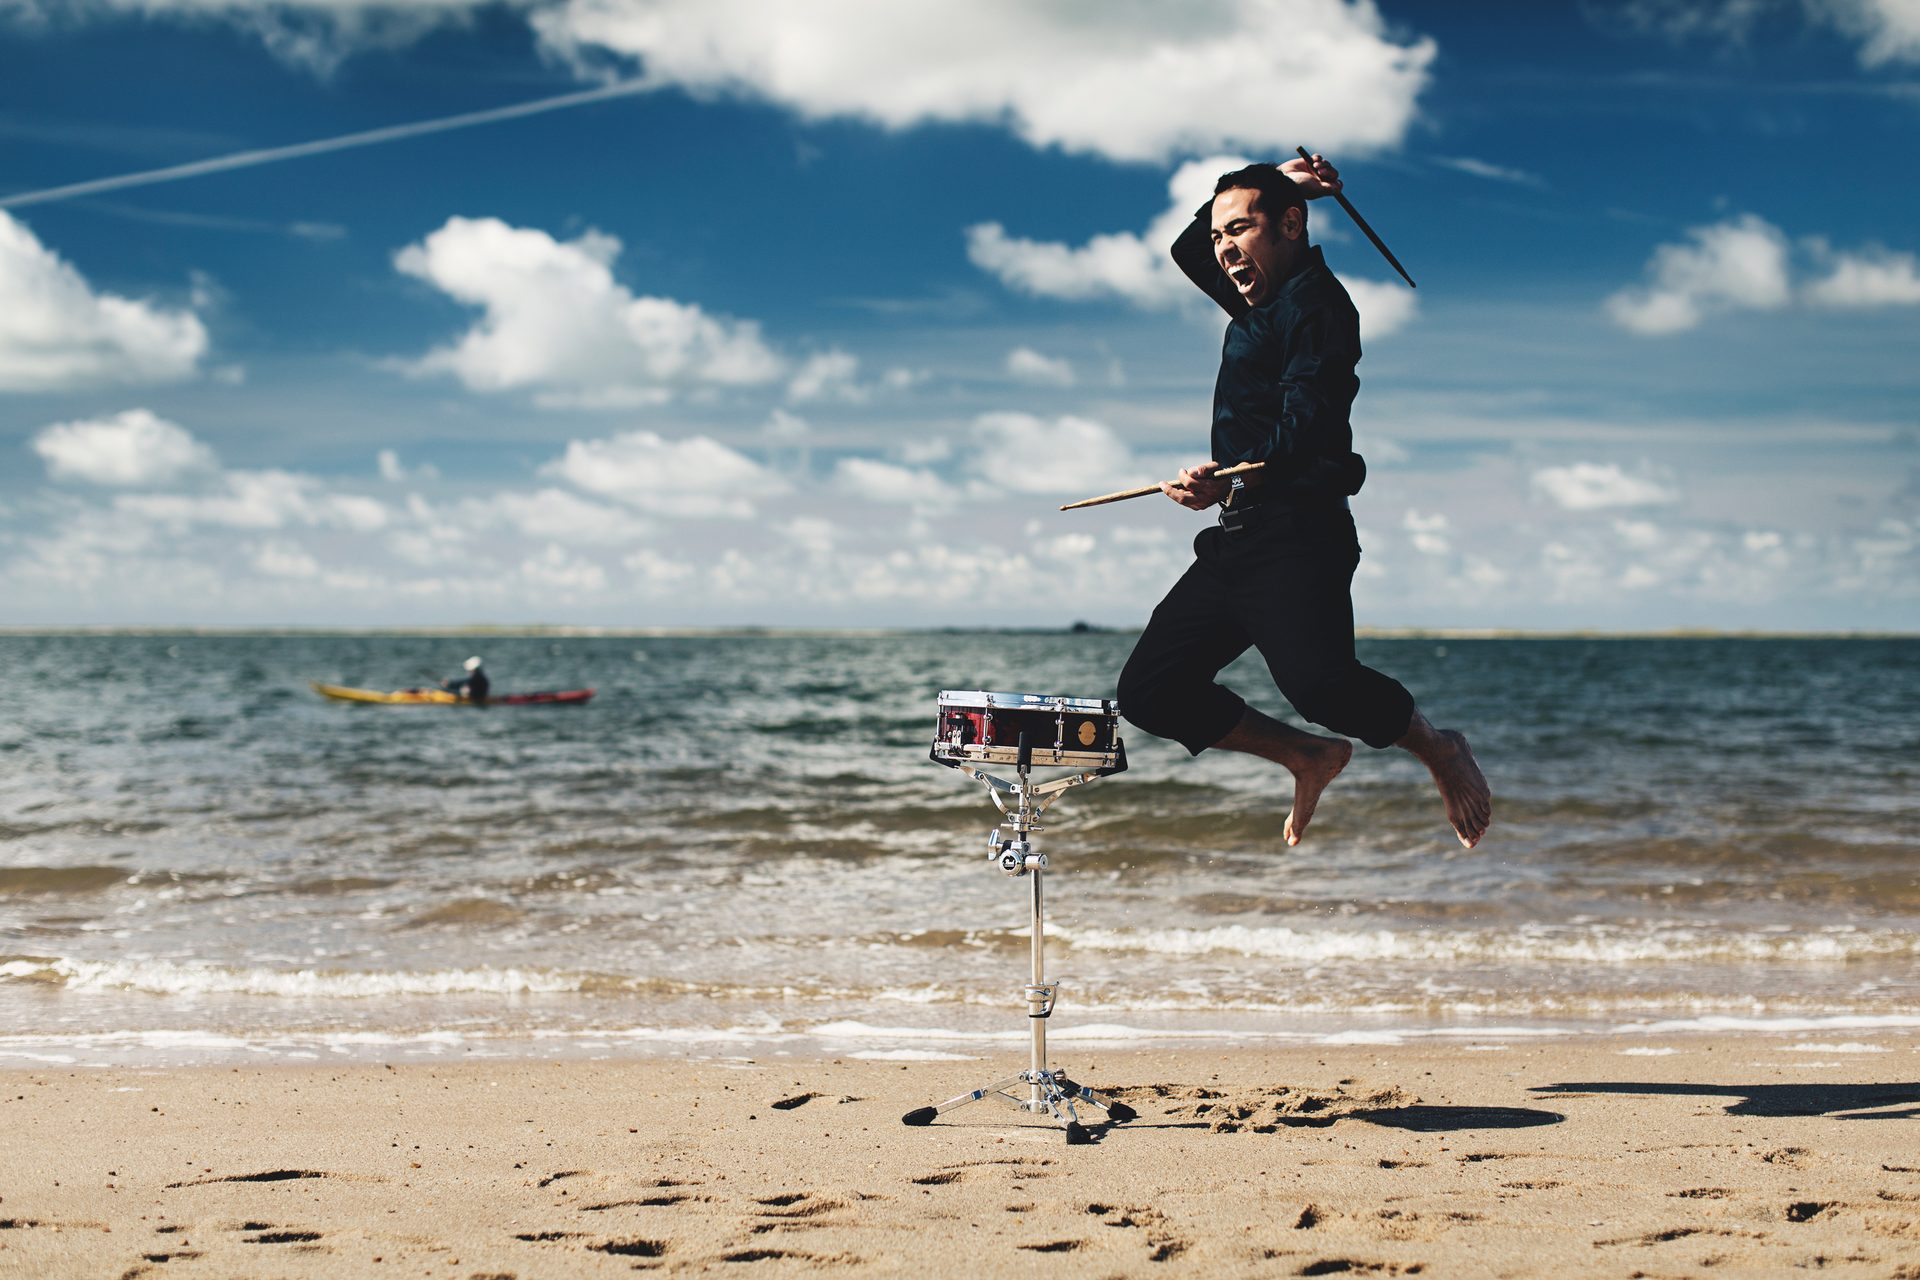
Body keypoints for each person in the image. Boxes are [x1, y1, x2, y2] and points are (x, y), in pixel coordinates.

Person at [1115, 156, 1491, 849]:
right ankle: (1306, 755)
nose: (1224, 247)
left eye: (1242, 229)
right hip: (1237, 540)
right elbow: (1186, 249)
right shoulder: (1253, 303)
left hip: (1300, 537)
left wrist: (1227, 481)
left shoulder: (1319, 306)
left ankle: (1438, 746)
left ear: (1290, 227)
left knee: (1324, 690)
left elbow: (1305, 427)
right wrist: (1285, 179)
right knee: (1150, 693)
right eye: (1221, 232)